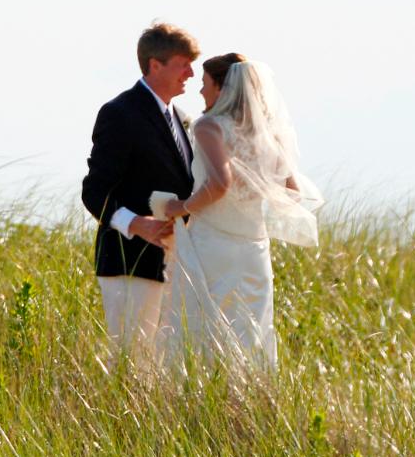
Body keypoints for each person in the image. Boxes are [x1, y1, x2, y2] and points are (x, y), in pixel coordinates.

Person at [157, 55, 324, 369]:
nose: (201, 93)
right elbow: (292, 190)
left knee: (204, 324)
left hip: (213, 245)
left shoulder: (210, 127)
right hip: (253, 249)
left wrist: (180, 207)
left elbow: (220, 183)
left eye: (205, 85)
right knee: (250, 330)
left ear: (223, 88)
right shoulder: (269, 136)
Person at [80, 23, 199, 362]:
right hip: (127, 262)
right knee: (131, 362)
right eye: (182, 64)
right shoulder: (120, 113)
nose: (191, 73)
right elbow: (94, 191)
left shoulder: (182, 118)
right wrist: (136, 225)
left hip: (173, 264)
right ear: (154, 65)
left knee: (164, 364)